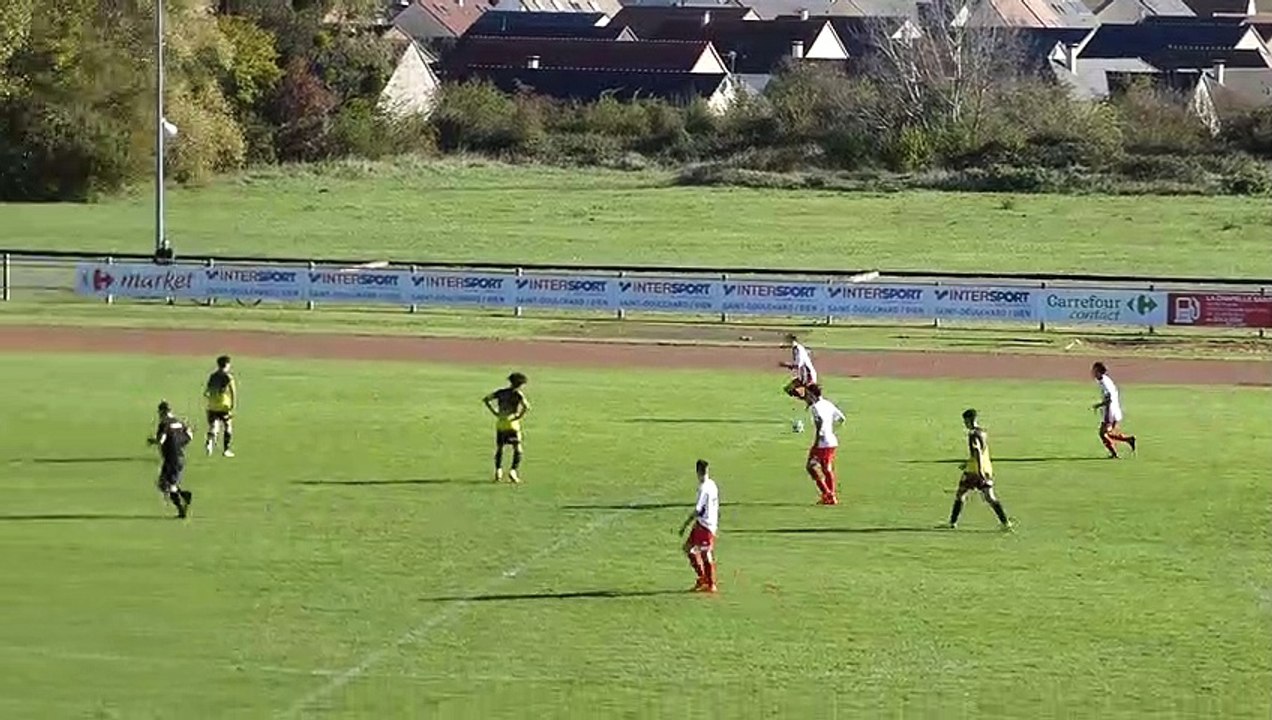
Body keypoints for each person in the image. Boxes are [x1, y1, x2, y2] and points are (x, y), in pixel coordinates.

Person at [948, 409, 1012, 530]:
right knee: (989, 497)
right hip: (986, 468)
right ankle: (1005, 522)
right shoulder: (982, 432)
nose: (965, 424)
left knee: (961, 494)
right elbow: (981, 452)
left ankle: (952, 523)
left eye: (965, 421)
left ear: (970, 420)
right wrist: (968, 463)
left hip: (974, 471)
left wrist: (979, 471)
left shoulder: (973, 435)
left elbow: (977, 452)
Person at [679, 459, 720, 593]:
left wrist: (685, 525)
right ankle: (703, 578)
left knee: (705, 553)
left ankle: (711, 584)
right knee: (688, 548)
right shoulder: (712, 484)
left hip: (706, 526)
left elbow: (698, 510)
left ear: (697, 472)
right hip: (702, 523)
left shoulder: (703, 488)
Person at [148, 401, 194, 519]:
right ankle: (182, 499)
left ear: (162, 412)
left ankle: (182, 504)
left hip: (171, 459)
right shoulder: (179, 423)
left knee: (169, 486)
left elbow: (161, 440)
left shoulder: (164, 424)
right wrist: (179, 443)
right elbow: (189, 436)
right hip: (179, 457)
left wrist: (154, 441)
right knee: (163, 484)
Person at [483, 372, 530, 483]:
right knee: (517, 448)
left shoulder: (501, 392)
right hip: (512, 424)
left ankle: (498, 471)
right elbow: (526, 407)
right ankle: (513, 471)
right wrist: (519, 416)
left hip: (501, 423)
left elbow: (486, 399)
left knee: (500, 448)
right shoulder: (518, 394)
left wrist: (494, 412)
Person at [806, 384, 845, 505]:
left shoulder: (815, 407)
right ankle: (829, 496)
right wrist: (831, 431)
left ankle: (828, 494)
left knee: (811, 467)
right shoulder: (828, 403)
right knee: (826, 469)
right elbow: (841, 419)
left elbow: (820, 423)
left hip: (822, 443)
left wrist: (818, 439)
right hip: (831, 441)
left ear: (812, 394)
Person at [1091, 362, 1136, 459]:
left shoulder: (1105, 383)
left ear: (1098, 371)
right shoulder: (1105, 380)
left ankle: (1116, 452)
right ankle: (1128, 441)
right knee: (1109, 433)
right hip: (1114, 409)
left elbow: (1109, 399)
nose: (1092, 373)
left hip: (1110, 411)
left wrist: (1099, 405)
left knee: (1103, 434)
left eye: (1094, 370)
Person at [204, 355, 237, 458]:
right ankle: (226, 450)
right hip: (223, 405)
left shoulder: (213, 376)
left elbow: (206, 391)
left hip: (212, 405)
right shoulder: (228, 377)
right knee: (228, 426)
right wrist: (233, 404)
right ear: (226, 364)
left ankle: (210, 441)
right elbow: (233, 391)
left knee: (214, 426)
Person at [780, 333, 818, 400]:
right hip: (804, 374)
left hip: (808, 375)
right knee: (790, 389)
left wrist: (786, 365)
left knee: (808, 395)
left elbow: (798, 364)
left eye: (788, 341)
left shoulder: (798, 349)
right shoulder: (796, 349)